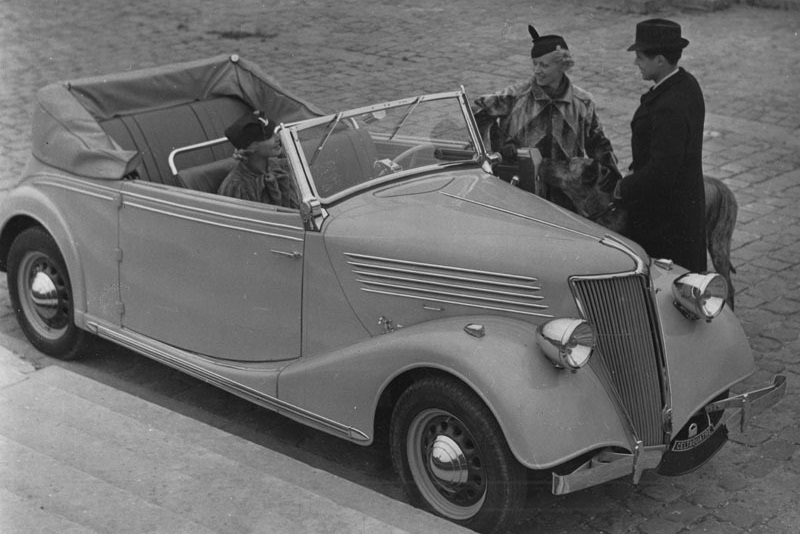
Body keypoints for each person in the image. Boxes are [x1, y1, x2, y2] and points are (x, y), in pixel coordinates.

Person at [472, 24, 621, 201]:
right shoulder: (515, 96)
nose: (537, 71)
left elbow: (598, 143)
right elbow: (478, 112)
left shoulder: (582, 102)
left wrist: (611, 173)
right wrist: (497, 147)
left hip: (565, 192)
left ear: (563, 66)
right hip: (521, 187)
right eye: (534, 64)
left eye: (544, 65)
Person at [612, 19, 706, 272]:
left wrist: (623, 187)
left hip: (665, 221)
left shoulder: (669, 107)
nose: (636, 63)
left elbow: (662, 171)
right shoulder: (686, 84)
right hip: (682, 211)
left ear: (660, 60)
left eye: (641, 57)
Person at [218, 110, 299, 209]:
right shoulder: (235, 187)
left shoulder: (277, 165)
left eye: (274, 131)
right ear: (251, 147)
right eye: (268, 136)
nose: (277, 137)